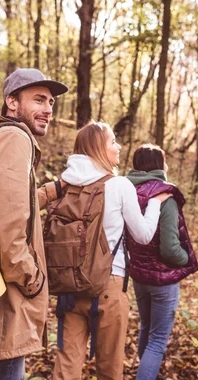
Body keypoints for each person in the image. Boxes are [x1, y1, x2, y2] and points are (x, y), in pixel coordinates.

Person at [0, 68, 68, 380]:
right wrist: (30, 276)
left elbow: (4, 199)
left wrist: (48, 192)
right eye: (38, 100)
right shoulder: (13, 137)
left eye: (50, 103)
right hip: (4, 303)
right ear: (12, 102)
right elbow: (4, 222)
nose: (48, 109)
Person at [52, 122, 172, 380]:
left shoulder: (66, 184)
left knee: (67, 366)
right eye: (112, 142)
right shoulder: (119, 186)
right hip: (108, 286)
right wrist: (154, 203)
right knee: (109, 368)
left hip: (68, 286)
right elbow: (143, 235)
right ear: (98, 149)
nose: (118, 147)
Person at [126, 144, 198, 380]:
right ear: (158, 164)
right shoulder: (165, 196)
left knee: (146, 330)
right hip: (163, 281)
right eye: (164, 161)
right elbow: (169, 248)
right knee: (157, 341)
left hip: (138, 276)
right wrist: (185, 258)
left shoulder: (127, 191)